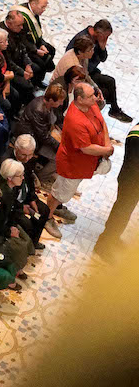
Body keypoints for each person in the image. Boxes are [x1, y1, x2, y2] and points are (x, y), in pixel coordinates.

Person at [52, 81, 114, 222]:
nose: (95, 98)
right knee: (59, 194)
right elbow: (85, 148)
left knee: (64, 192)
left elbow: (101, 122)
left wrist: (107, 144)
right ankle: (47, 216)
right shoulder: (75, 120)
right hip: (73, 165)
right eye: (91, 96)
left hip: (87, 163)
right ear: (80, 99)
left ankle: (58, 206)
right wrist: (106, 150)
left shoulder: (90, 105)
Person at [94, 118, 139, 259]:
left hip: (134, 181)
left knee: (125, 212)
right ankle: (103, 244)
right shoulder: (136, 136)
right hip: (131, 181)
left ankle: (114, 236)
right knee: (121, 212)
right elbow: (134, 164)